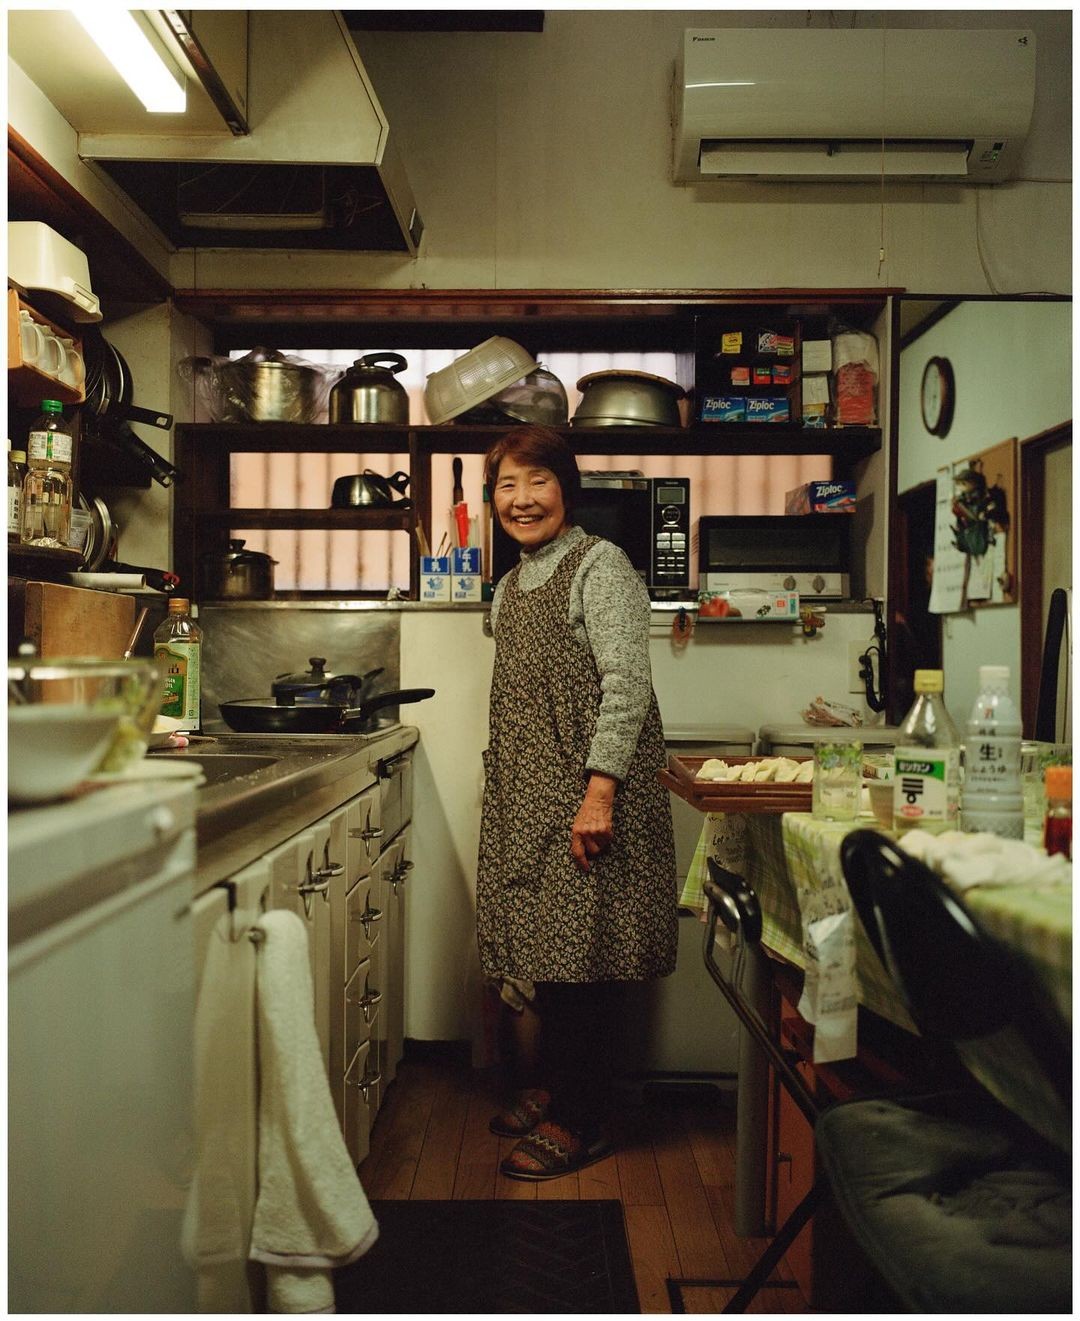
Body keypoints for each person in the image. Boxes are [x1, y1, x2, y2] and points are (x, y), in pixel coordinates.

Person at [476, 424, 678, 1181]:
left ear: (567, 488)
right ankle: (558, 1086)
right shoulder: (510, 585)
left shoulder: (602, 566)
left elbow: (626, 685)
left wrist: (600, 792)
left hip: (585, 795)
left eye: (538, 481)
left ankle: (583, 1119)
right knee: (545, 951)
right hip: (528, 795)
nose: (522, 499)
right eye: (507, 485)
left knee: (583, 958)